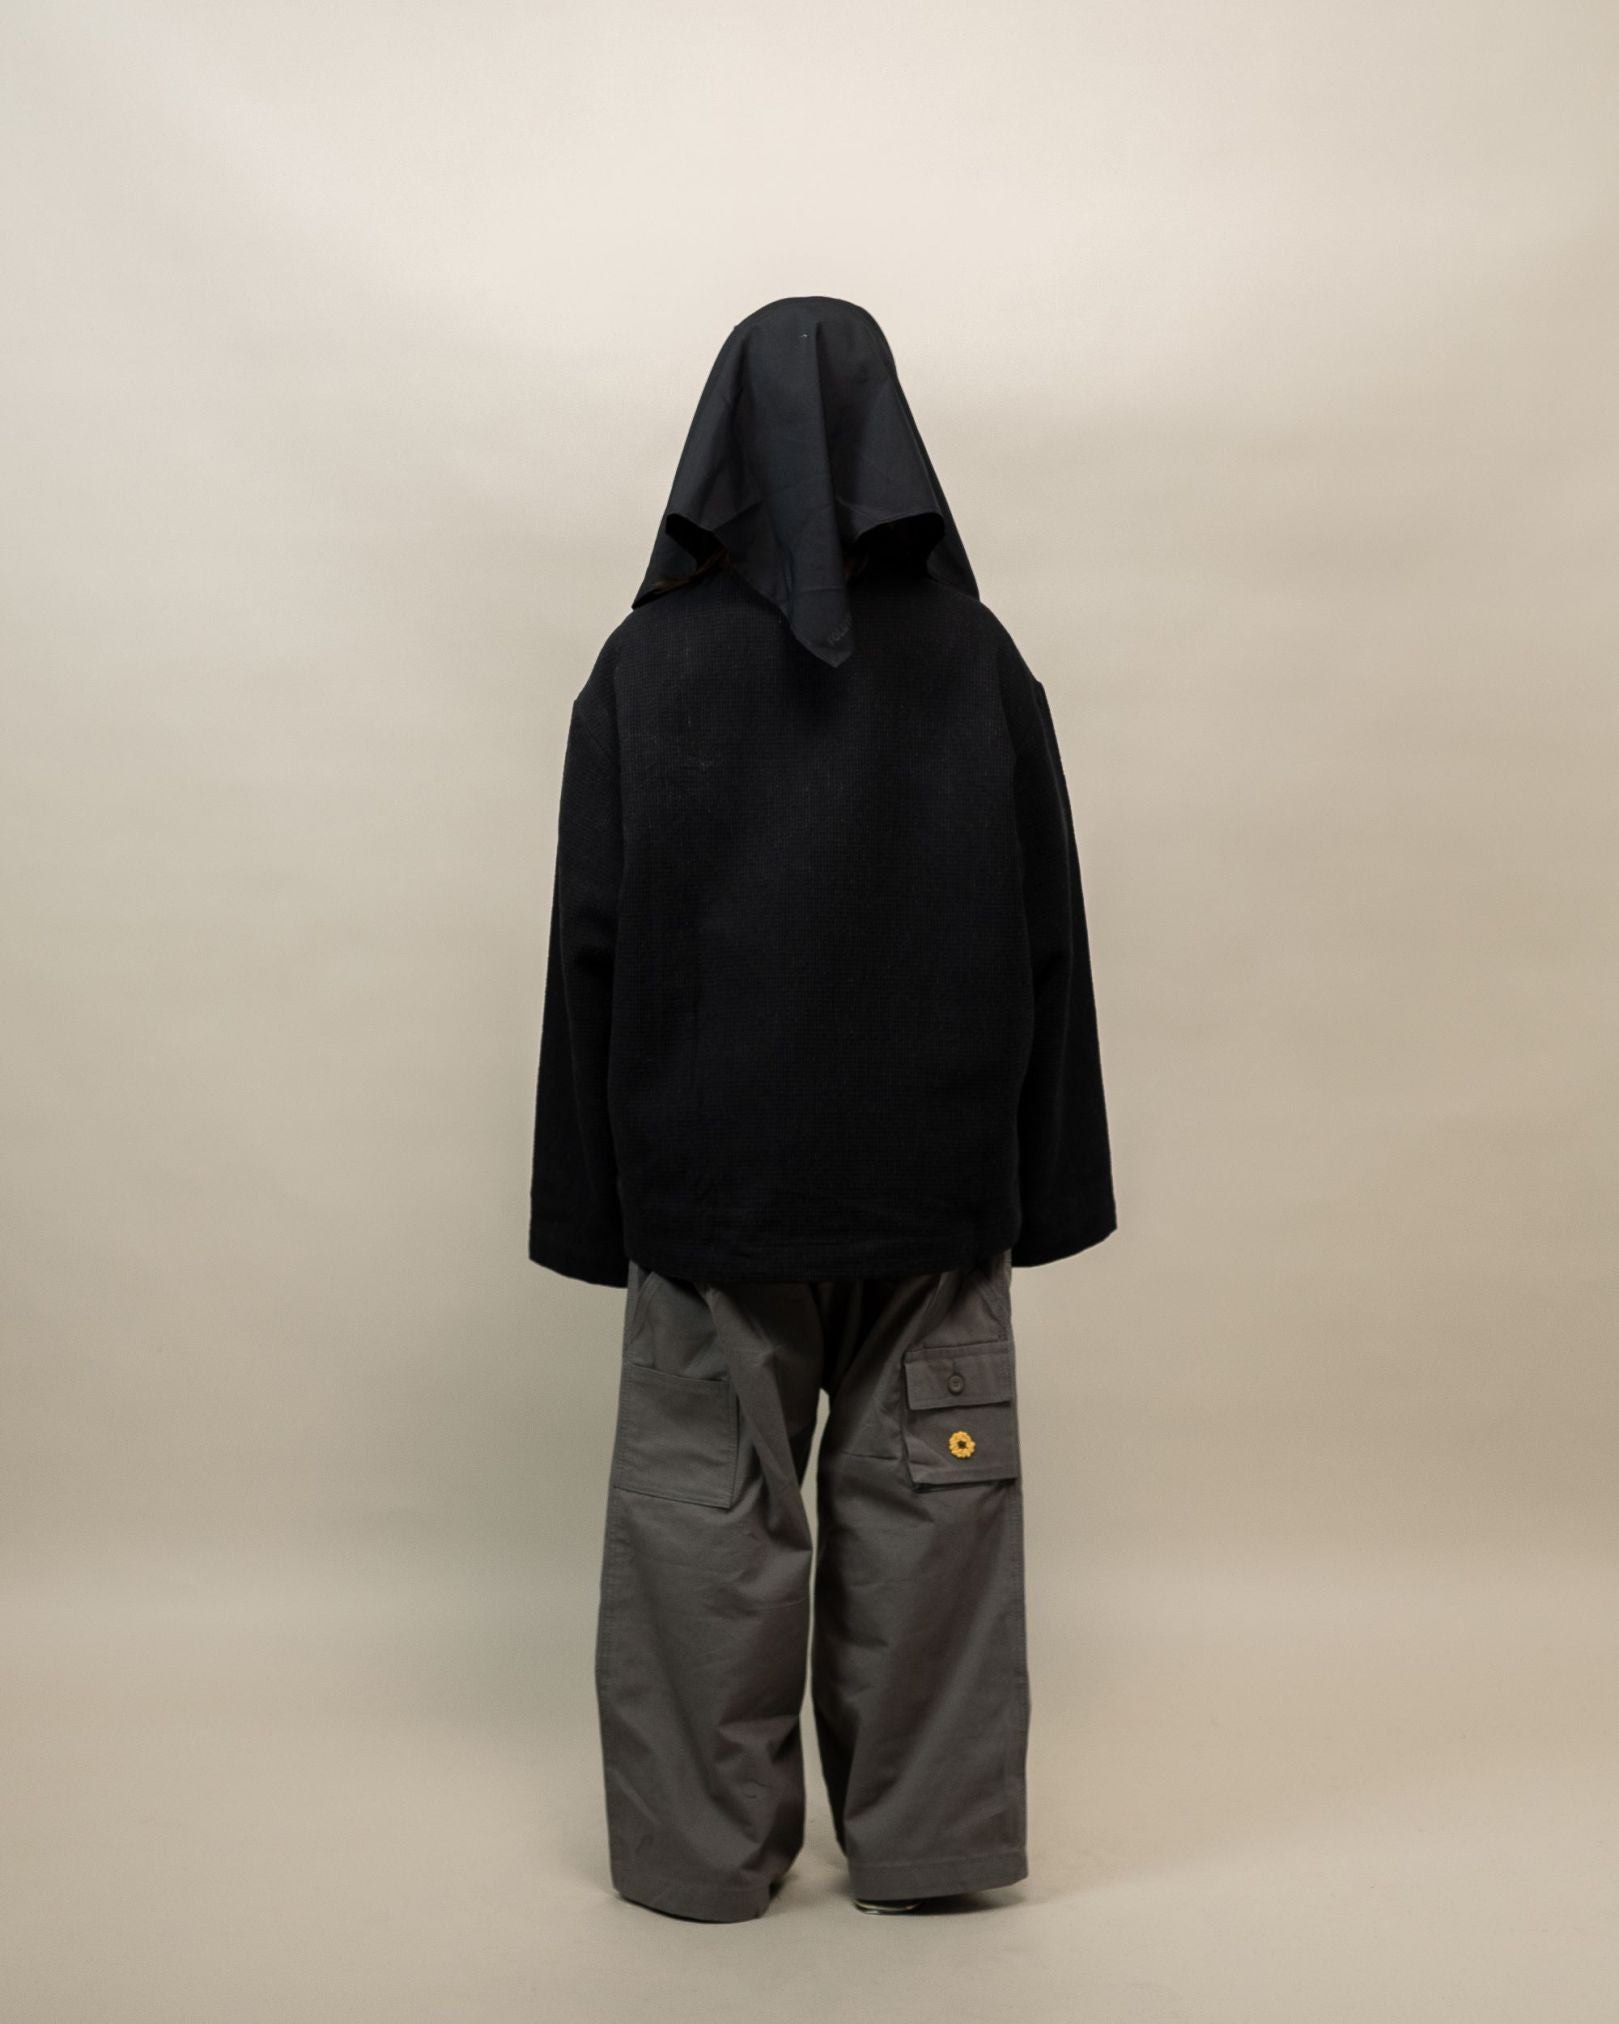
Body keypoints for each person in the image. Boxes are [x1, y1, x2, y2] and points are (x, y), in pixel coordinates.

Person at [528, 295, 1115, 1921]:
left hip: (710, 1198)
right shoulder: (981, 664)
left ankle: (701, 1858)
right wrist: (1044, 1189)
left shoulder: (644, 668)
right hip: (933, 1193)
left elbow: (589, 951)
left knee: (700, 1529)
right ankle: (927, 1851)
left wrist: (591, 1213)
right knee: (935, 1516)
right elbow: (1053, 940)